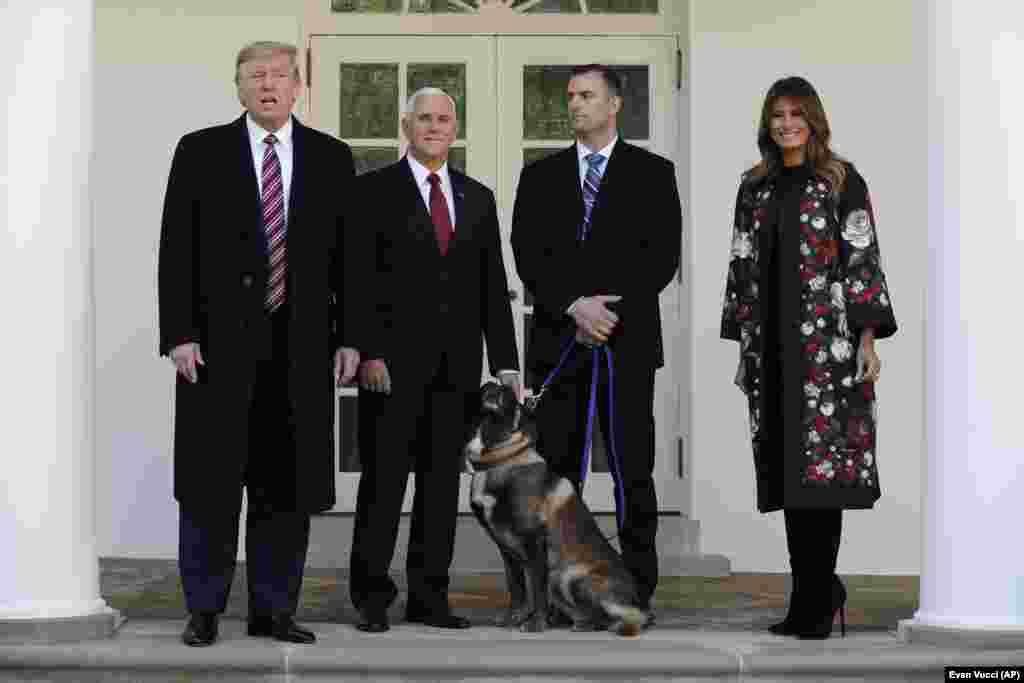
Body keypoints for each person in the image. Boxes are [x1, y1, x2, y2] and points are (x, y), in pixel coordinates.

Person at [158, 41, 363, 647]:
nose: (268, 85)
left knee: (286, 486)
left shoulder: (331, 157)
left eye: (278, 75)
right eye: (255, 76)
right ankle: (204, 609)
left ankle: (275, 610)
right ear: (239, 87)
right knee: (209, 486)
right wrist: (178, 334)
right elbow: (176, 247)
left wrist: (350, 336)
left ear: (298, 86)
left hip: (300, 349)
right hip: (215, 350)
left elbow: (348, 259)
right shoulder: (200, 151)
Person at [720, 76, 897, 639]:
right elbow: (741, 266)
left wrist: (867, 340)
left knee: (823, 474)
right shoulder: (755, 188)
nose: (786, 123)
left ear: (814, 121)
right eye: (777, 115)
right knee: (789, 476)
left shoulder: (840, 181)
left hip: (828, 351)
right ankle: (809, 595)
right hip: (771, 350)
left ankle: (819, 598)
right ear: (767, 123)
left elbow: (862, 260)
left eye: (796, 114)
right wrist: (745, 348)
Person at [511, 64, 681, 625]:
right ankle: (560, 593)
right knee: (559, 474)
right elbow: (528, 253)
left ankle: (635, 587)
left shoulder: (654, 173)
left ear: (614, 106)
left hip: (626, 344)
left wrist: (606, 310)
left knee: (634, 469)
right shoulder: (539, 176)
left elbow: (661, 256)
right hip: (559, 345)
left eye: (587, 96)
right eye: (571, 96)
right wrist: (573, 305)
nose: (576, 104)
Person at [348, 87, 520, 633]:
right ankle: (372, 597)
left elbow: (493, 286)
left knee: (441, 487)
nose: (434, 126)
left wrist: (507, 362)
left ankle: (429, 596)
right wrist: (368, 351)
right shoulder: (372, 192)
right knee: (383, 484)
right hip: (391, 368)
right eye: (424, 118)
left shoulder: (476, 197)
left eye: (444, 119)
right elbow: (355, 280)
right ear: (406, 125)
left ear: (455, 127)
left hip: (457, 370)